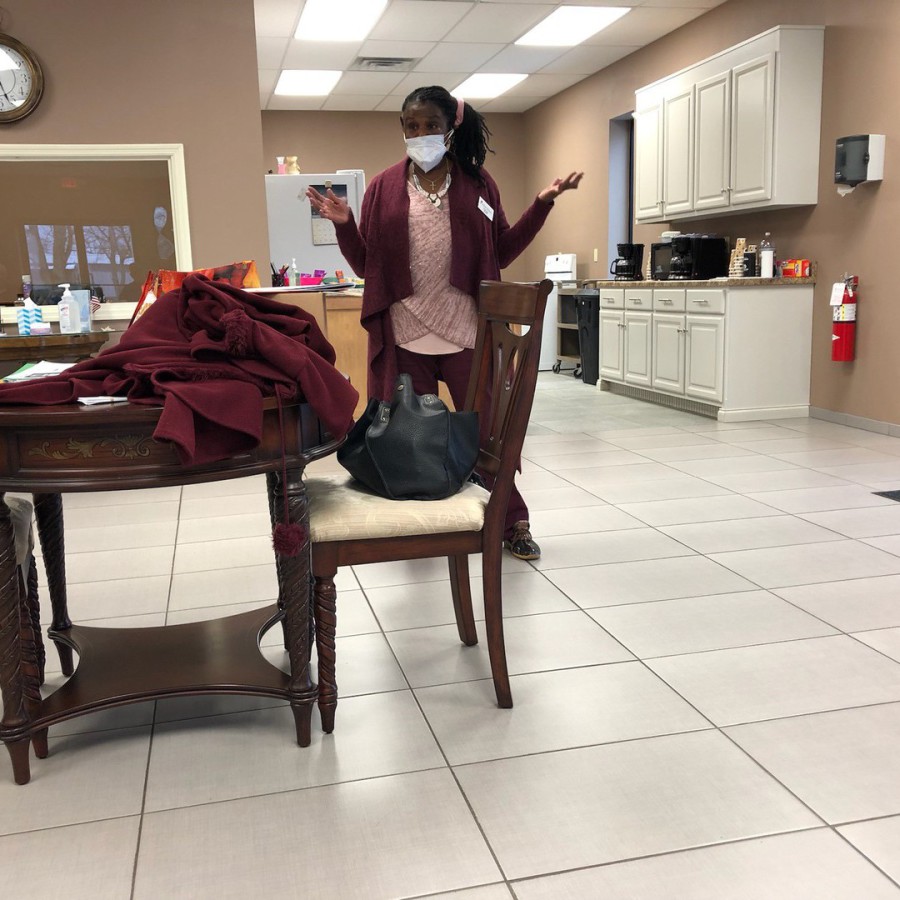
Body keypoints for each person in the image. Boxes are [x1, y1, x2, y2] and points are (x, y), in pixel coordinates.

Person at [307, 85, 583, 560]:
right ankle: (422, 523)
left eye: (431, 125)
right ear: (402, 129)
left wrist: (541, 204)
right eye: (412, 126)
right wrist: (344, 224)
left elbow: (503, 251)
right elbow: (367, 266)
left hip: (466, 332)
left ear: (449, 128)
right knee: (411, 439)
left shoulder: (478, 184)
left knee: (489, 434)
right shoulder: (382, 188)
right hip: (405, 334)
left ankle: (511, 520)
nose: (422, 134)